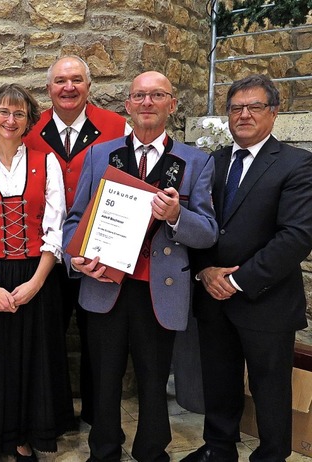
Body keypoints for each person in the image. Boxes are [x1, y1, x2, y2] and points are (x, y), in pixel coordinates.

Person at [62, 71, 218, 462]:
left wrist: (176, 215)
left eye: (157, 95)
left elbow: (209, 233)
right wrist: (75, 257)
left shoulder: (195, 162)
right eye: (139, 96)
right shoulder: (101, 155)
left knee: (152, 378)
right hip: (105, 285)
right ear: (128, 105)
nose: (147, 103)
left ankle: (152, 451)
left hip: (159, 289)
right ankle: (104, 449)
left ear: (172, 105)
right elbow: (73, 220)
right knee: (105, 376)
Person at [183, 75, 312, 462]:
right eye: (236, 108)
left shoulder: (297, 164)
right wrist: (206, 272)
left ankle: (272, 456)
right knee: (219, 382)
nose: (243, 115)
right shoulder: (214, 161)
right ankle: (218, 449)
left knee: (270, 388)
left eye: (254, 107)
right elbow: (199, 223)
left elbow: (296, 237)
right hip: (213, 297)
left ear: (273, 112)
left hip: (265, 300)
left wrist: (236, 281)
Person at [0, 83, 75, 462]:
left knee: (31, 359)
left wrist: (36, 283)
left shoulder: (48, 162)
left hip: (36, 275)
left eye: (19, 113)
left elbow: (55, 229)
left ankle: (24, 438)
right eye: (4, 112)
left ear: (29, 121)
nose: (10, 119)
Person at [23, 55, 129, 424]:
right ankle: (52, 413)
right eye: (60, 81)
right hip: (45, 252)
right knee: (47, 334)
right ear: (48, 88)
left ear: (89, 85)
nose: (68, 87)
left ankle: (98, 412)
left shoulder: (117, 126)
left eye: (77, 80)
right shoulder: (29, 128)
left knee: (97, 337)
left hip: (98, 250)